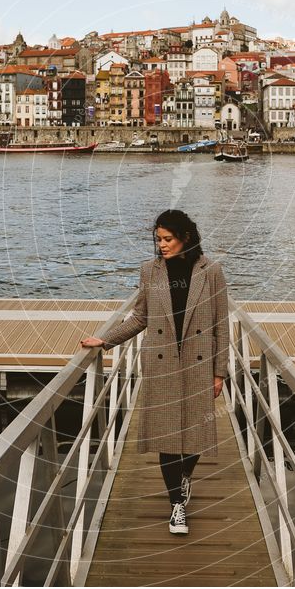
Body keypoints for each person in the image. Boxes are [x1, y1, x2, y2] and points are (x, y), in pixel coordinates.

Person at [81, 209, 230, 535]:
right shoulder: (150, 271)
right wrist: (105, 340)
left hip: (197, 363)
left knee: (194, 436)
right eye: (158, 240)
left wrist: (219, 373)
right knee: (166, 436)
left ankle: (186, 476)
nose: (161, 245)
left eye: (167, 239)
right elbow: (140, 318)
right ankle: (177, 504)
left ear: (185, 237)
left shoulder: (212, 271)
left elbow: (221, 324)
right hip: (161, 365)